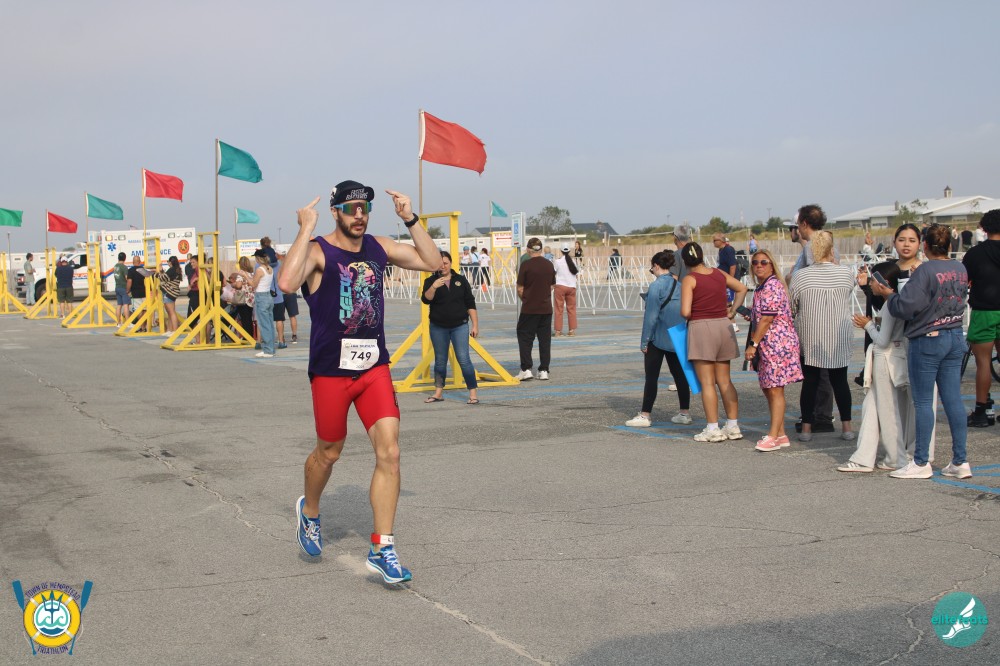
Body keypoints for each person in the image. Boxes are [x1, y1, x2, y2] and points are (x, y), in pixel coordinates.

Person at [278, 180, 440, 584]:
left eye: (364, 207)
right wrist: (305, 227)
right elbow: (286, 284)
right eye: (350, 208)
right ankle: (310, 512)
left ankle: (382, 547)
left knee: (391, 453)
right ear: (335, 212)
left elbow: (432, 261)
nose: (359, 214)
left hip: (373, 369)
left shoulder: (378, 247)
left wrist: (411, 219)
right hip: (331, 373)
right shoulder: (319, 251)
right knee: (328, 454)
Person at [871, 224, 971, 479]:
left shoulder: (925, 270)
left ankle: (921, 461)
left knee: (924, 402)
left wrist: (888, 294)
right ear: (949, 245)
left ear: (924, 245)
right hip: (954, 334)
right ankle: (960, 460)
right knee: (953, 400)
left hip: (927, 339)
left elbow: (905, 307)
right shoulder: (959, 268)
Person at [839, 261, 934, 472]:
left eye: (873, 280)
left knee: (887, 411)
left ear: (884, 282)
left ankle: (894, 458)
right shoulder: (894, 302)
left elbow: (882, 341)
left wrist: (868, 325)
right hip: (893, 357)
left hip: (886, 358)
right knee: (872, 407)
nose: (871, 284)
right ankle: (865, 457)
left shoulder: (891, 305)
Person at [789, 231, 855, 442]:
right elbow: (848, 291)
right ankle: (847, 427)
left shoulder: (800, 276)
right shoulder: (845, 273)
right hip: (838, 336)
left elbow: (792, 307)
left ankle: (806, 429)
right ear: (832, 249)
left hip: (811, 335)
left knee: (810, 383)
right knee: (840, 382)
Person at [679, 242, 748, 442]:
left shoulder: (690, 279)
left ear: (684, 260)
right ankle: (733, 425)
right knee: (725, 380)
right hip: (723, 326)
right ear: (702, 256)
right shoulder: (718, 273)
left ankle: (712, 428)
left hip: (702, 327)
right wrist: (732, 311)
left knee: (707, 382)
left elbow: (685, 311)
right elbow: (742, 288)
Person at [744, 249, 803, 452]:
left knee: (775, 389)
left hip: (778, 344)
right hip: (768, 344)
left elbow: (767, 319)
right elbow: (764, 315)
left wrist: (752, 344)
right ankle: (780, 433)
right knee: (769, 388)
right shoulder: (762, 287)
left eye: (764, 262)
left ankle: (773, 436)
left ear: (771, 265)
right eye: (755, 262)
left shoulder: (772, 286)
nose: (759, 266)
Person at [787, 204, 839, 434]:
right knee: (821, 371)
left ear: (804, 224)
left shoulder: (813, 247)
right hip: (825, 316)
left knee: (819, 373)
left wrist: (792, 278)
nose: (797, 229)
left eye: (798, 224)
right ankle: (818, 414)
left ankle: (821, 416)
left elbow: (813, 277)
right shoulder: (823, 243)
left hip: (816, 318)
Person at [626, 250, 691, 427]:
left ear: (656, 266)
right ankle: (684, 413)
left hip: (658, 337)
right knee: (680, 375)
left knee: (652, 377)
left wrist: (644, 341)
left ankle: (645, 414)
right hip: (676, 335)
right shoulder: (680, 285)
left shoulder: (656, 286)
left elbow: (651, 317)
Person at [421, 251, 480, 404]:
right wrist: (434, 287)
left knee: (464, 359)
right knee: (440, 360)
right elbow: (426, 299)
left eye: (445, 263)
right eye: (440, 264)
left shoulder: (461, 280)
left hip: (460, 326)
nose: (443, 266)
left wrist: (475, 325)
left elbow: (470, 302)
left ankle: (473, 393)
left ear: (451, 263)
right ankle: (438, 393)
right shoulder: (430, 281)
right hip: (438, 327)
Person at [962, 209, 1000, 427]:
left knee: (983, 362)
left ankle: (981, 411)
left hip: (984, 311)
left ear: (984, 228)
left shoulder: (975, 254)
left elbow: (964, 281)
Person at [515, 237, 556, 381]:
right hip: (546, 308)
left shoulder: (526, 265)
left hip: (529, 309)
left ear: (528, 249)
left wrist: (526, 299)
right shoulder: (549, 265)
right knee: (545, 340)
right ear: (541, 249)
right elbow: (552, 285)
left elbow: (520, 288)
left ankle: (526, 369)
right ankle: (544, 370)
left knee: (525, 337)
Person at [251, 249, 275, 358]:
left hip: (261, 297)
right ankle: (270, 349)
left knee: (264, 324)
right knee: (269, 324)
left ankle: (268, 350)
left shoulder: (259, 270)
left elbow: (253, 284)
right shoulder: (270, 268)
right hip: (268, 296)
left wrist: (244, 275)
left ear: (258, 258)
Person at [553, 244, 579, 337]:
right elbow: (576, 274)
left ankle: (558, 331)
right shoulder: (573, 261)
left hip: (560, 286)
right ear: (569, 250)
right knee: (571, 309)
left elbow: (553, 273)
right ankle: (571, 330)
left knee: (558, 309)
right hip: (572, 287)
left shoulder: (557, 261)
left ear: (561, 251)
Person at [160, 256, 182, 332]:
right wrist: (162, 272)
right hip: (172, 292)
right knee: (170, 312)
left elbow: (163, 278)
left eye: (168, 262)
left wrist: (156, 274)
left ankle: (175, 330)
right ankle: (170, 330)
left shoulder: (172, 269)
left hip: (169, 292)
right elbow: (167, 277)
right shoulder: (176, 269)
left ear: (170, 262)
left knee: (171, 312)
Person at [113, 252, 131, 325]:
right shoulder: (124, 267)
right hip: (123, 287)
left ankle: (118, 322)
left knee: (119, 305)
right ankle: (128, 322)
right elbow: (127, 278)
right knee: (126, 305)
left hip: (117, 287)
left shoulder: (115, 266)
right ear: (125, 258)